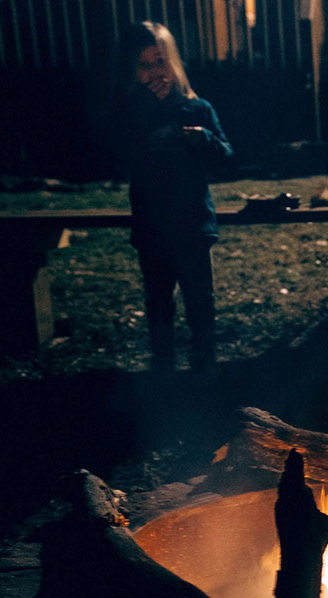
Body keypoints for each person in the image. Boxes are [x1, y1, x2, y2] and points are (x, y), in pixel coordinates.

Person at [111, 22, 233, 376]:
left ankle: (204, 367)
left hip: (194, 225)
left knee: (200, 303)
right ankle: (163, 369)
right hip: (151, 227)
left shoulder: (197, 108)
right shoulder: (131, 111)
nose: (154, 72)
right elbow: (118, 154)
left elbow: (226, 154)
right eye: (144, 65)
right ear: (132, 72)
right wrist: (147, 109)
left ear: (174, 63)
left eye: (160, 62)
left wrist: (204, 139)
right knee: (159, 303)